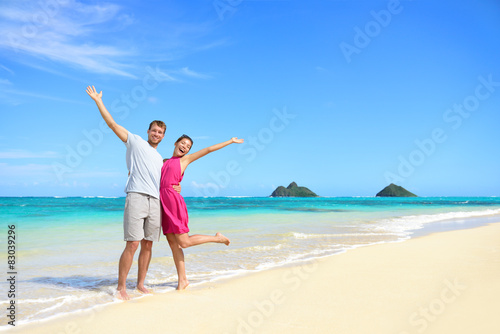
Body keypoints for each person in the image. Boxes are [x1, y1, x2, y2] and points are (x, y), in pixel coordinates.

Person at [86, 85, 180, 300]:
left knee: (148, 243)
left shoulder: (160, 159)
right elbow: (112, 124)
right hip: (136, 196)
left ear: (163, 136)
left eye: (160, 132)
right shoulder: (135, 141)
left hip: (155, 201)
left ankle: (140, 284)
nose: (156, 134)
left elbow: (168, 179)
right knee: (133, 243)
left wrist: (177, 187)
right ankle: (121, 287)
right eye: (154, 130)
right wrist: (99, 101)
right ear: (148, 131)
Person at [160, 134, 244, 290]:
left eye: (188, 146)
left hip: (173, 203)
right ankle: (182, 281)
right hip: (163, 205)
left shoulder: (184, 161)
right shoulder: (164, 162)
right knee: (173, 244)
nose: (185, 147)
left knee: (183, 242)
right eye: (183, 143)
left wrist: (230, 141)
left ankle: (217, 238)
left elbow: (208, 149)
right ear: (176, 143)